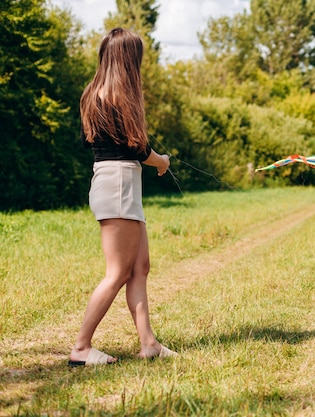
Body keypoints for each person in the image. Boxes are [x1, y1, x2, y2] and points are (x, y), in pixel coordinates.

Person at [68, 28, 176, 366]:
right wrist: (162, 163)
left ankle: (149, 344)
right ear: (129, 59)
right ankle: (81, 348)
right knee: (117, 272)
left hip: (118, 183)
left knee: (140, 267)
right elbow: (138, 148)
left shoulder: (94, 94)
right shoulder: (118, 96)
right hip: (118, 185)